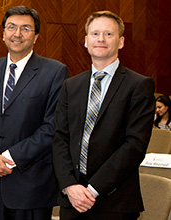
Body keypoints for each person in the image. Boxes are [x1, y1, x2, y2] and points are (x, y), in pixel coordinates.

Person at [0, 6, 68, 220]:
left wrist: (9, 157)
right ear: (3, 33)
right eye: (11, 27)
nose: (17, 34)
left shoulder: (55, 72)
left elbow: (52, 127)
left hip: (31, 186)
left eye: (26, 28)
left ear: (36, 36)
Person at [52, 11, 155, 220]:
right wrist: (70, 185)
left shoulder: (138, 85)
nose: (100, 39)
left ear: (121, 42)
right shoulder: (71, 86)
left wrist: (93, 189)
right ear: (86, 41)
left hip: (114, 202)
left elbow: (134, 145)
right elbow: (60, 138)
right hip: (72, 200)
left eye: (108, 34)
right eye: (95, 33)